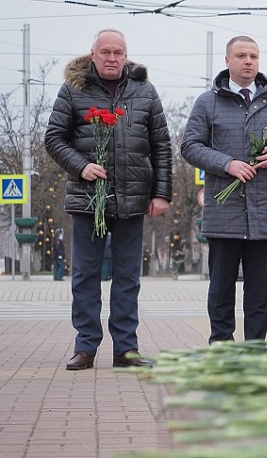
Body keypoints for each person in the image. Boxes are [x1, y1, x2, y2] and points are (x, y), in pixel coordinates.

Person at [45, 29, 172, 370]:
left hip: (133, 199)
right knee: (85, 275)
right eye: (106, 52)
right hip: (87, 200)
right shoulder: (74, 89)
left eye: (119, 52)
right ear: (93, 54)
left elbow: (161, 145)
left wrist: (161, 193)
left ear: (126, 55)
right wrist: (81, 165)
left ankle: (126, 350)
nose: (112, 58)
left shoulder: (145, 91)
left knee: (128, 277)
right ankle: (85, 347)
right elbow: (54, 138)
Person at [182, 36, 267, 344]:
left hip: (263, 211)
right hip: (223, 212)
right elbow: (190, 146)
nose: (248, 61)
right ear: (228, 61)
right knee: (221, 288)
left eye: (253, 55)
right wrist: (227, 164)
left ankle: (255, 348)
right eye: (241, 55)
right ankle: (222, 346)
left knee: (259, 290)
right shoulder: (207, 101)